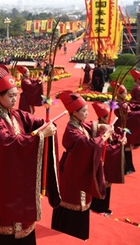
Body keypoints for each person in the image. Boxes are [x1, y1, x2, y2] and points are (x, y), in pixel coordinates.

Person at [0, 64, 58, 244]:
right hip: (3, 177)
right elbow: (8, 143)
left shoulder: (15, 114)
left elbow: (34, 121)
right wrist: (38, 137)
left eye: (16, 95)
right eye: (11, 96)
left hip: (19, 175)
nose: (15, 99)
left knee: (24, 221)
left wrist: (46, 123)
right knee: (4, 222)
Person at [51, 91, 111, 240]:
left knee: (82, 205)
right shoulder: (71, 130)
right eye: (84, 111)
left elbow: (90, 127)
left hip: (78, 169)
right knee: (71, 202)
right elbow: (87, 145)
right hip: (72, 173)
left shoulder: (80, 124)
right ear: (75, 113)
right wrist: (104, 137)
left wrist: (100, 127)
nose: (87, 113)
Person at [89, 102, 126, 216]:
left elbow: (114, 137)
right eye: (106, 117)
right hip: (100, 161)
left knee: (107, 183)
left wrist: (120, 139)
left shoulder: (109, 126)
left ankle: (104, 207)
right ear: (101, 118)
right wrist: (119, 145)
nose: (109, 119)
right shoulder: (96, 129)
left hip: (108, 161)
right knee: (100, 182)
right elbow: (101, 145)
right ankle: (97, 207)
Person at [112, 81, 140, 174]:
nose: (126, 94)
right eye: (124, 93)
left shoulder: (122, 103)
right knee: (126, 145)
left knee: (127, 145)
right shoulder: (119, 105)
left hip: (125, 125)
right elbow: (129, 115)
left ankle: (128, 166)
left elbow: (130, 106)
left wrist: (136, 107)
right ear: (119, 95)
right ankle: (126, 166)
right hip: (123, 127)